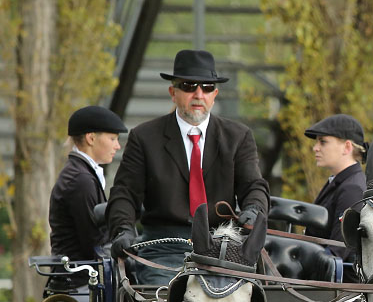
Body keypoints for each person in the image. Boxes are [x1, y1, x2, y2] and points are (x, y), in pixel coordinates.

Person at [107, 49, 269, 285]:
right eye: (188, 86)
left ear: (215, 94)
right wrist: (123, 229)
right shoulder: (144, 137)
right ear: (173, 92)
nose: (198, 94)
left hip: (223, 248)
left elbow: (254, 185)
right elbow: (124, 193)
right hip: (164, 249)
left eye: (206, 87)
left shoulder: (238, 137)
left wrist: (253, 209)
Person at [49, 106, 128, 262]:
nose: (117, 146)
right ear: (91, 138)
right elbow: (95, 241)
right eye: (112, 139)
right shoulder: (80, 180)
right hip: (80, 281)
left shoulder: (81, 173)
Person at [304, 114, 367, 281]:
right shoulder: (342, 181)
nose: (315, 148)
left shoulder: (352, 188)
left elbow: (337, 250)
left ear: (346, 147)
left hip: (338, 294)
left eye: (323, 142)